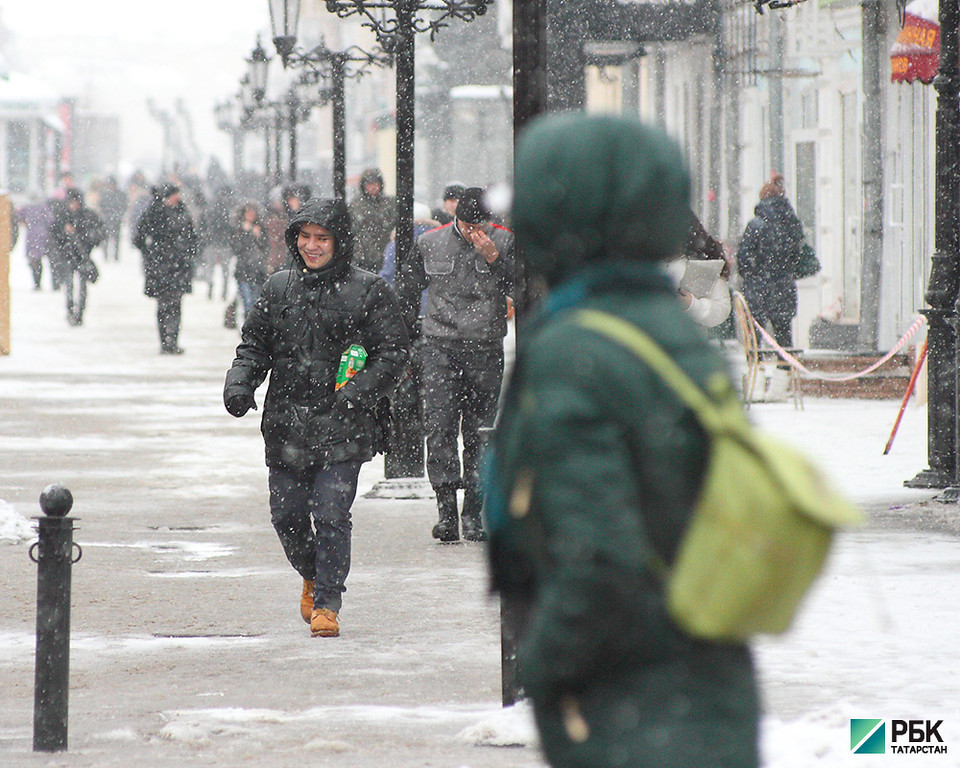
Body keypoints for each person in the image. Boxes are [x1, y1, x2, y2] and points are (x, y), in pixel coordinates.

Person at [485, 113, 759, 768]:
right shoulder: (664, 326)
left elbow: (598, 553)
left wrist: (548, 664)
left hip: (628, 694)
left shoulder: (580, 345)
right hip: (697, 670)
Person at [223, 198, 408, 639]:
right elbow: (254, 346)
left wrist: (356, 393)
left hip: (343, 425)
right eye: (304, 237)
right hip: (286, 423)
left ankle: (327, 601)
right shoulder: (278, 288)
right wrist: (240, 384)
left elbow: (393, 354)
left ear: (339, 241)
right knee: (286, 516)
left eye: (321, 238)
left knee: (330, 513)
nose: (311, 246)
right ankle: (312, 572)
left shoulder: (369, 290)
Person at [405, 186, 514, 543]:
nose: (472, 232)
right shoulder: (430, 242)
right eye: (466, 225)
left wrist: (494, 256)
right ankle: (446, 511)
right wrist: (410, 339)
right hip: (440, 345)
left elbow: (525, 285)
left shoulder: (506, 241)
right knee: (439, 425)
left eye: (478, 224)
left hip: (484, 345)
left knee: (481, 432)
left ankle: (473, 513)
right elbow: (406, 290)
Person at [735, 174, 804, 347]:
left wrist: (751, 275)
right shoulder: (792, 224)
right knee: (784, 335)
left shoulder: (756, 225)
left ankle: (757, 369)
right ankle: (786, 369)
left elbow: (743, 257)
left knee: (755, 336)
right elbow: (796, 256)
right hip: (783, 288)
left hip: (758, 289)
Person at [133, 183, 199, 354]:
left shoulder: (182, 212)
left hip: (179, 265)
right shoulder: (155, 213)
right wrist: (151, 254)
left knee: (176, 304)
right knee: (164, 304)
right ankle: (165, 341)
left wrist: (189, 252)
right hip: (161, 266)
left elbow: (192, 236)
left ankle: (173, 340)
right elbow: (138, 237)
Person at [47, 189, 106, 326]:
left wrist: (81, 235)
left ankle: (79, 313)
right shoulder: (62, 216)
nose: (73, 205)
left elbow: (99, 233)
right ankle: (70, 310)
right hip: (67, 256)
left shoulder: (87, 216)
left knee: (81, 287)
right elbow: (54, 235)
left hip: (82, 256)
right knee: (69, 285)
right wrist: (64, 233)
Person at [348, 168, 396, 272]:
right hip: (364, 260)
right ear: (363, 186)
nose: (374, 187)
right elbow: (354, 232)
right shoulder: (355, 206)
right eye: (370, 184)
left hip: (387, 256)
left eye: (376, 183)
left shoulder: (391, 204)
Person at [229, 202, 270, 318]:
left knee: (255, 302)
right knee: (247, 302)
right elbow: (236, 248)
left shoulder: (261, 229)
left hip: (258, 271)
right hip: (243, 271)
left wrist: (258, 236)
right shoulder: (238, 229)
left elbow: (265, 248)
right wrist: (245, 233)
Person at [16, 197, 53, 290]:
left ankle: (37, 282)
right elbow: (50, 220)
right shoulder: (44, 207)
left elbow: (19, 217)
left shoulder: (26, 208)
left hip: (32, 236)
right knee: (40, 259)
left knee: (34, 259)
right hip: (43, 236)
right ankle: (40, 281)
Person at [98, 176, 128, 261]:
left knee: (116, 239)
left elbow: (124, 205)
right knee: (106, 238)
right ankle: (106, 255)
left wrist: (119, 214)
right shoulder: (104, 194)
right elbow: (101, 206)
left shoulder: (120, 194)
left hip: (116, 219)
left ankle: (115, 256)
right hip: (107, 219)